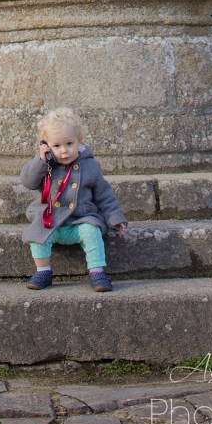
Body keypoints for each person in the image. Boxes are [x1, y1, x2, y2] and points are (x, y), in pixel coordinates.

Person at [19, 107, 127, 292]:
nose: (64, 151)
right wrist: (41, 160)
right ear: (46, 145)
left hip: (81, 220)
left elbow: (105, 196)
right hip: (51, 221)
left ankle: (96, 271)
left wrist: (114, 218)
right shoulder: (45, 165)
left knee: (91, 231)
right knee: (37, 235)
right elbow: (28, 182)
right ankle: (43, 271)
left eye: (69, 143)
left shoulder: (90, 165)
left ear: (79, 141)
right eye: (56, 146)